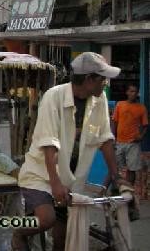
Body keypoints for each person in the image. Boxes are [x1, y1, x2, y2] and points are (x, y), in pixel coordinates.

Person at [12, 52, 128, 251]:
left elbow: (105, 139)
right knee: (46, 219)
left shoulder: (99, 100)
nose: (106, 83)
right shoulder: (54, 96)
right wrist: (55, 183)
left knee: (63, 239)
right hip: (41, 175)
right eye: (103, 79)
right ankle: (19, 233)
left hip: (71, 180)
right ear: (89, 79)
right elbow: (49, 143)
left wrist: (116, 177)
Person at [112, 84, 148, 185]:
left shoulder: (141, 108)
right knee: (118, 167)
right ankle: (119, 189)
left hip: (133, 143)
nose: (134, 94)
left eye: (135, 92)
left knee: (132, 169)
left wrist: (141, 136)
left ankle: (129, 189)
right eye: (131, 91)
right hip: (119, 142)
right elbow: (114, 122)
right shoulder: (120, 105)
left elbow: (145, 125)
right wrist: (113, 137)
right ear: (127, 92)